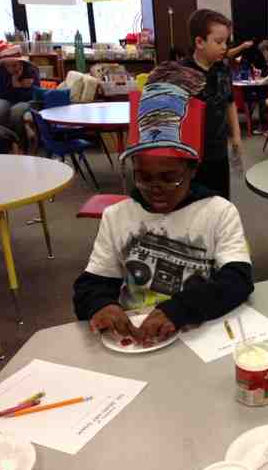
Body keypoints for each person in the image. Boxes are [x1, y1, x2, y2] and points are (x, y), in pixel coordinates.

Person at [73, 63, 253, 343]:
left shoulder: (218, 211)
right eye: (143, 178)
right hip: (137, 334)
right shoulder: (116, 216)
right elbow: (92, 284)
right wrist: (101, 305)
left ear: (192, 171)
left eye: (170, 178)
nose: (155, 188)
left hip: (198, 333)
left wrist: (180, 310)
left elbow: (238, 280)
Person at [181, 9, 242, 200]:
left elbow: (229, 102)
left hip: (219, 151)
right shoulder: (182, 73)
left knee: (220, 201)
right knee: (194, 204)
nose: (224, 47)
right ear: (200, 42)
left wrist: (236, 136)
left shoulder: (223, 69)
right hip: (191, 156)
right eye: (218, 42)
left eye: (226, 42)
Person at [0, 42, 39, 149]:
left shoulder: (31, 70)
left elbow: (34, 95)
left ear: (21, 62)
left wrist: (18, 87)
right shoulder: (1, 71)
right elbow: (1, 94)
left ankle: (20, 141)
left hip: (28, 100)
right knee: (0, 109)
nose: (13, 68)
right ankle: (5, 141)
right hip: (7, 99)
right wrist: (14, 84)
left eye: (16, 65)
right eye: (9, 66)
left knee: (16, 111)